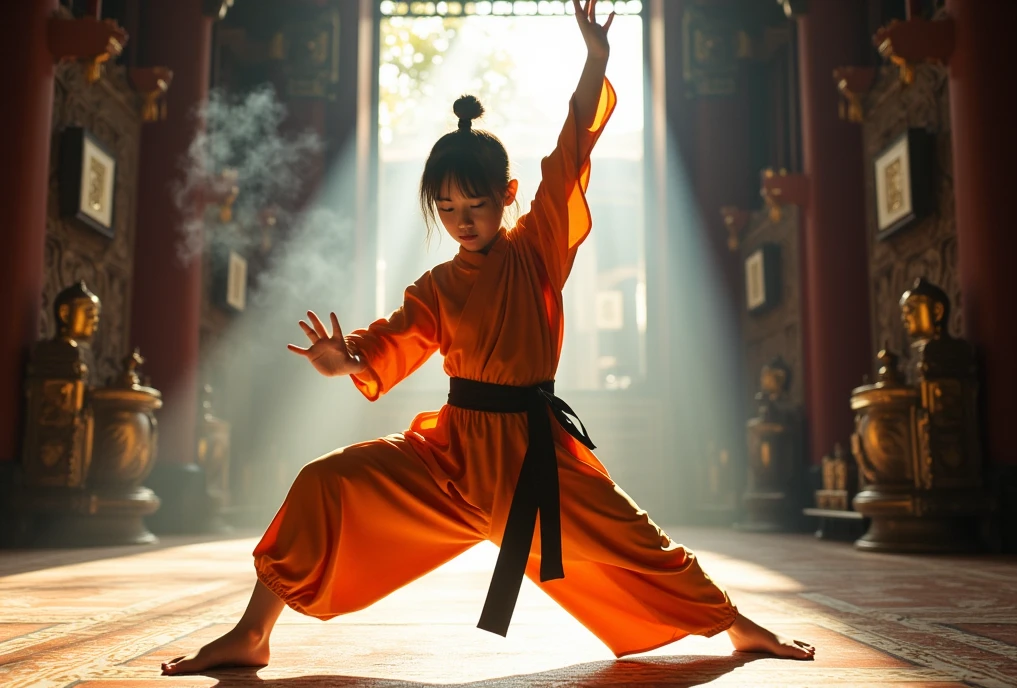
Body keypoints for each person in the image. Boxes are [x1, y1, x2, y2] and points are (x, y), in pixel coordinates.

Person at [162, 1, 814, 675]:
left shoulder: (537, 249)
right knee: (322, 482)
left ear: (507, 195)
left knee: (642, 544)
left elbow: (571, 152)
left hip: (537, 460)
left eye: (475, 206)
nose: (461, 220)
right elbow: (393, 339)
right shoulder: (439, 285)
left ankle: (741, 627)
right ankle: (253, 632)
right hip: (451, 459)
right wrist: (346, 358)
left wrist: (595, 62)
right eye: (446, 208)